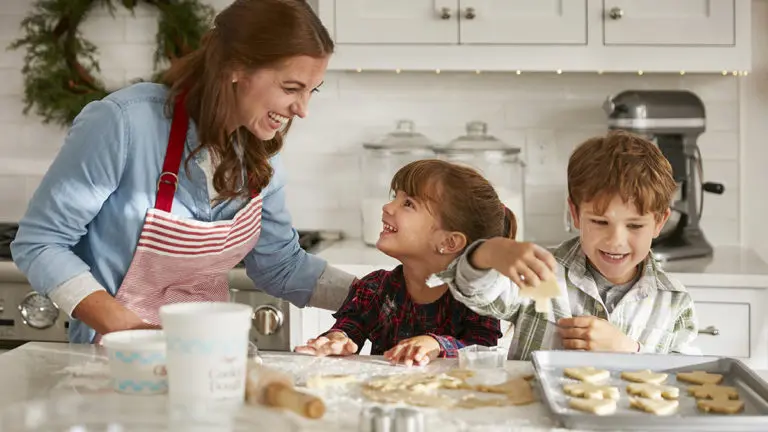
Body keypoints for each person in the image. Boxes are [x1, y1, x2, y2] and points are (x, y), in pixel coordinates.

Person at [10, 0, 356, 344]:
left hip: (208, 358)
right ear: (236, 67)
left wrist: (386, 295)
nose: (302, 109)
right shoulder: (125, 123)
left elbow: (282, 266)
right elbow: (41, 243)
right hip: (116, 363)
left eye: (312, 91)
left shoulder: (261, 156)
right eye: (291, 88)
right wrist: (131, 333)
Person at [438, 131, 699, 360]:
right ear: (575, 214)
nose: (616, 240)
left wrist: (631, 351)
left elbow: (685, 375)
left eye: (634, 226)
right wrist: (490, 252)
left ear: (659, 222)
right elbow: (475, 294)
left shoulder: (673, 300)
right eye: (599, 221)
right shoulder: (541, 273)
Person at [295, 160, 507, 366]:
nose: (387, 207)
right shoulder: (376, 288)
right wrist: (337, 340)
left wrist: (436, 344)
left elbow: (482, 350)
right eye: (395, 197)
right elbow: (350, 327)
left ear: (449, 242)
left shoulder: (477, 298)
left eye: (408, 203)